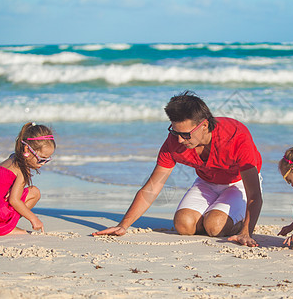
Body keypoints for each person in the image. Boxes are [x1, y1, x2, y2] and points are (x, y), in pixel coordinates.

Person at [93, 91, 263, 247]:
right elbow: (153, 187)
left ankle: (232, 220)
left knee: (214, 225)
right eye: (175, 132)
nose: (180, 140)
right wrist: (123, 226)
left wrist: (246, 232)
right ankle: (215, 214)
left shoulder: (236, 136)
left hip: (238, 183)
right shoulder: (174, 142)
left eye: (186, 134)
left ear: (204, 125)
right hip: (207, 181)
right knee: (184, 224)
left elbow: (254, 193)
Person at [0, 122, 56, 236]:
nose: (43, 163)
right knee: (35, 192)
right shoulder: (22, 171)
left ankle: (2, 224)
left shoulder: (13, 157)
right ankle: (6, 226)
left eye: (47, 160)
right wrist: (34, 218)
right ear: (27, 150)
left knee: (21, 194)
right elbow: (14, 200)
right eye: (41, 159)